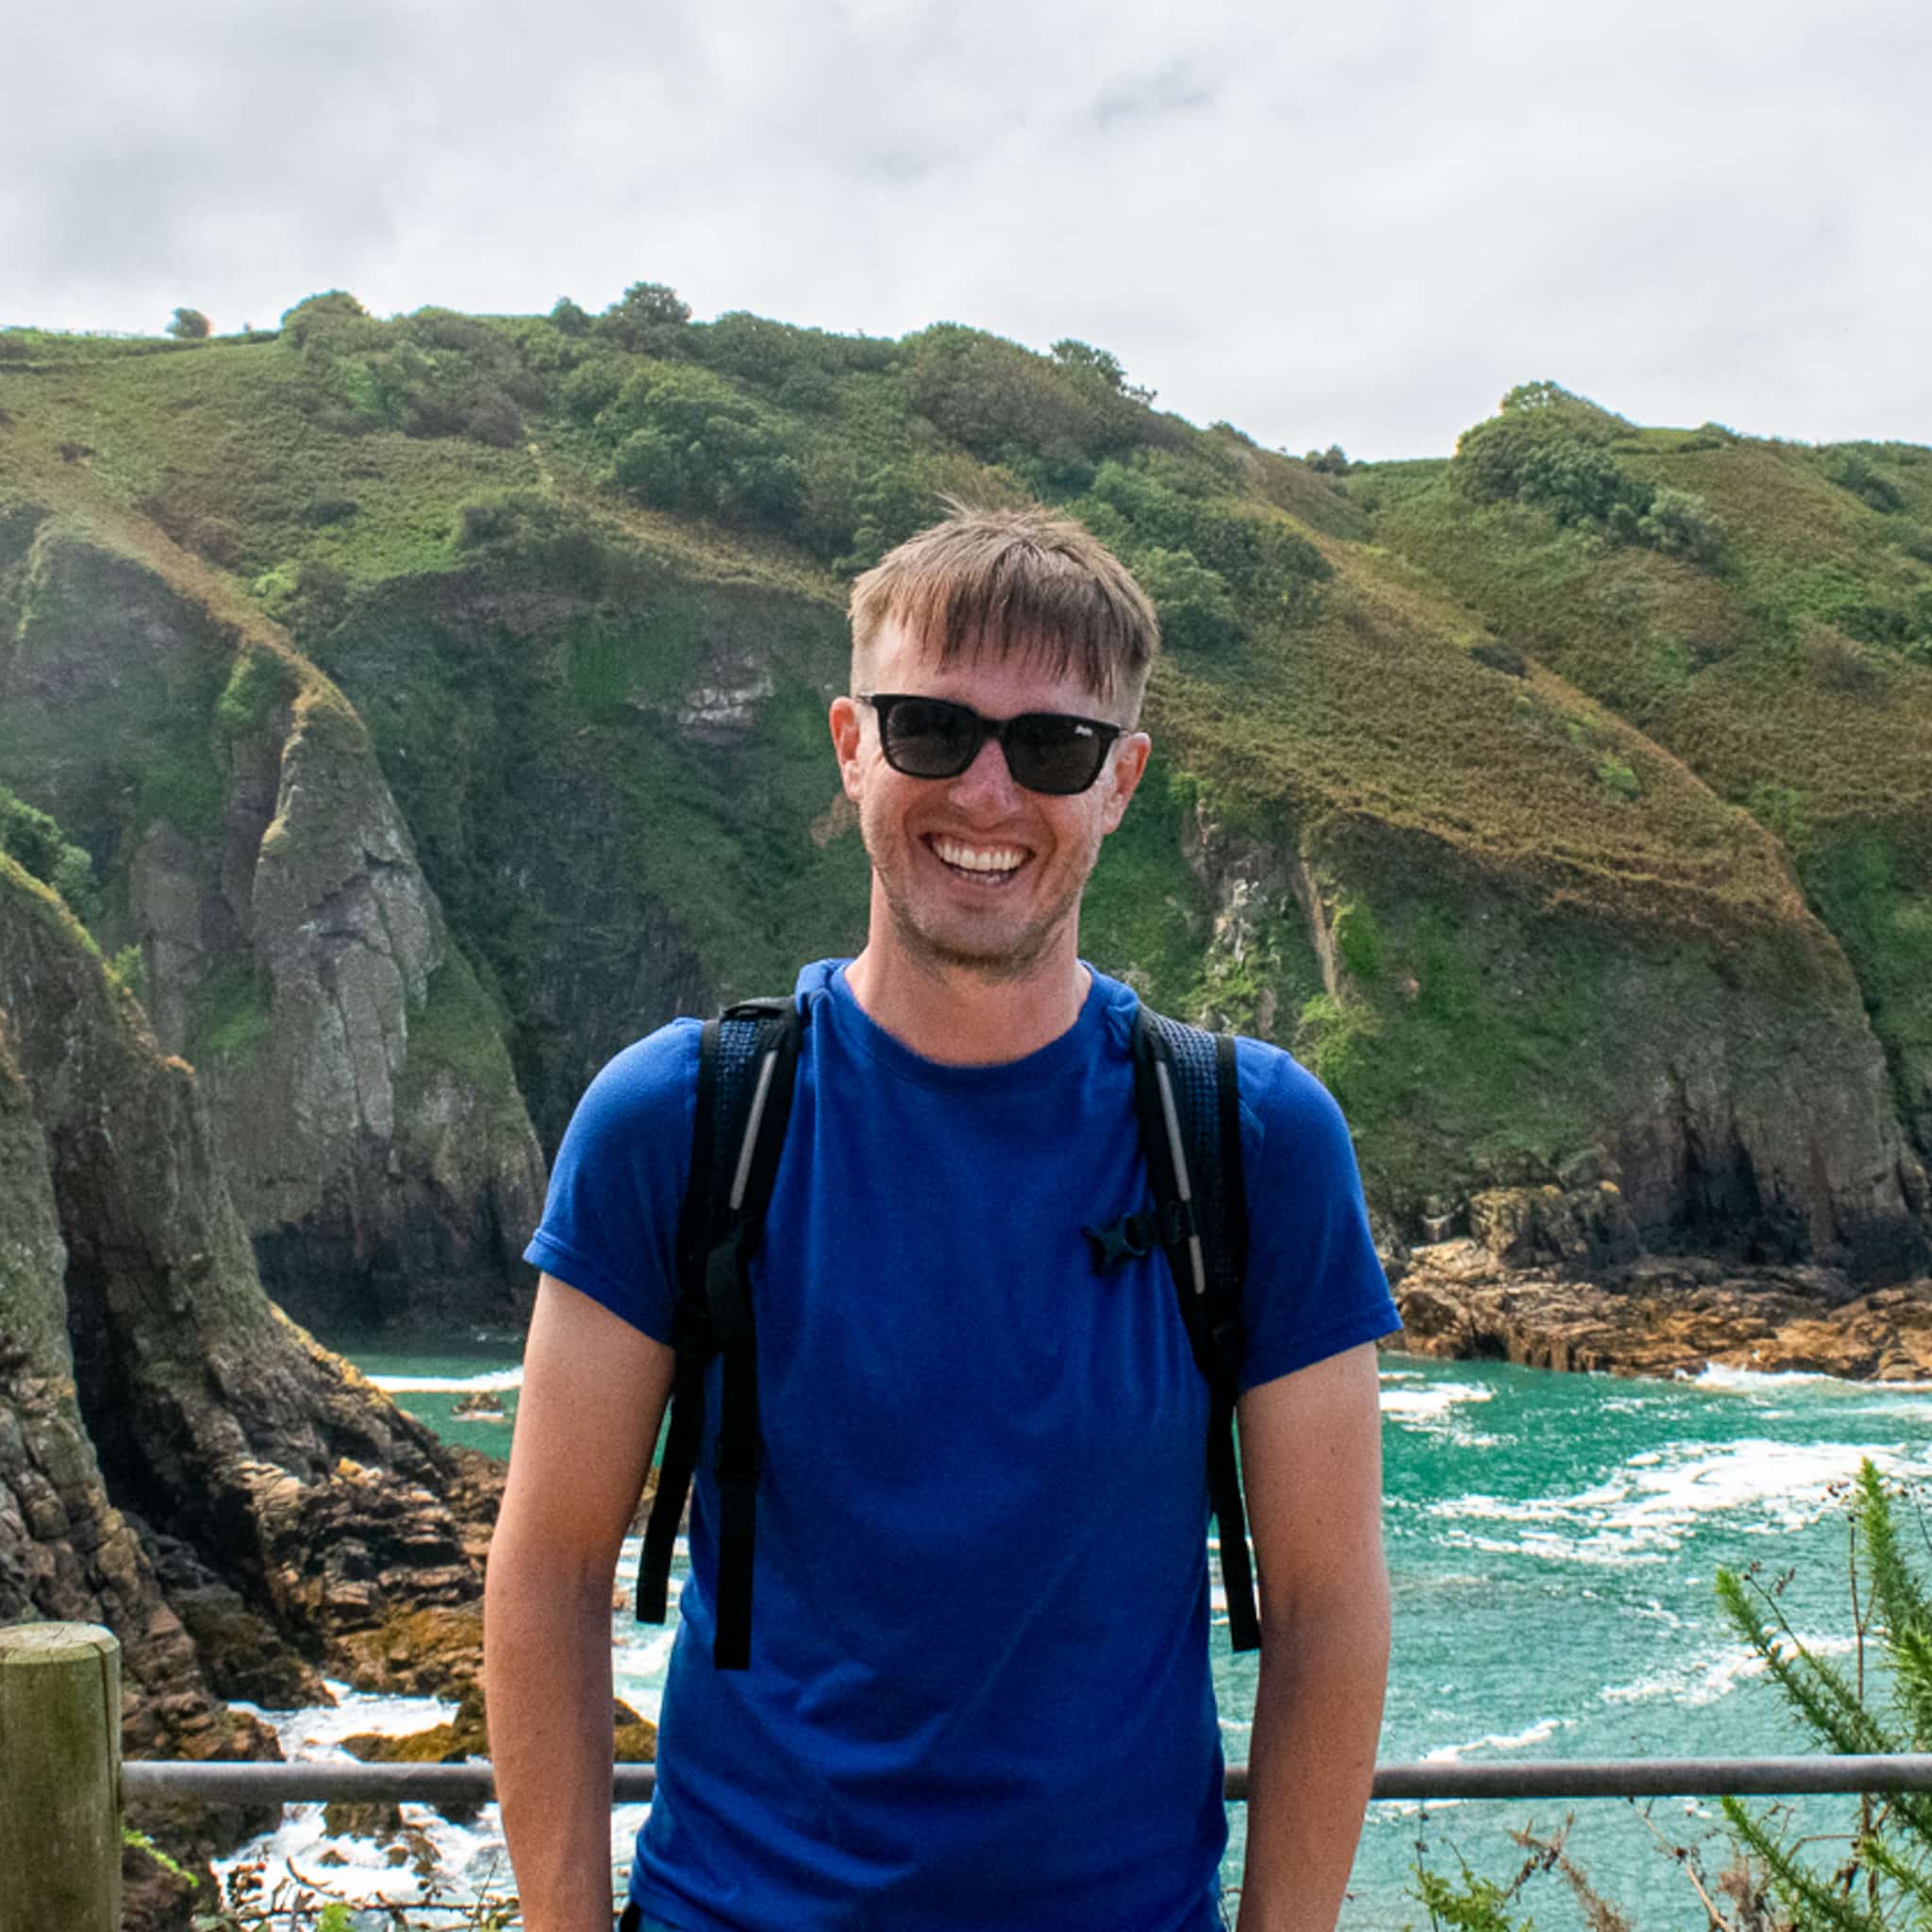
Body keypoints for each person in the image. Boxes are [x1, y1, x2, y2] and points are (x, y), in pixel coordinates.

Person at [484, 506, 1399, 1932]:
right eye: (929, 731)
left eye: (1051, 746)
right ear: (852, 746)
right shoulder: (677, 1121)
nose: (985, 794)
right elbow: (546, 1570)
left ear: (1121, 781)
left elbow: (1331, 1605)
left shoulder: (1256, 1144)